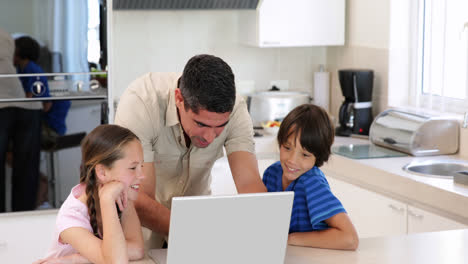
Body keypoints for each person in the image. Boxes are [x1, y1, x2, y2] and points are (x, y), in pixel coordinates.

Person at [115, 54, 267, 248]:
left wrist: (263, 231)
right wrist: (198, 233)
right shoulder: (142, 104)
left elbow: (249, 184)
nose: (210, 137)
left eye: (221, 126)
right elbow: (138, 198)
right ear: (179, 99)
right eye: (201, 123)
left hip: (197, 232)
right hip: (139, 235)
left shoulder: (236, 109)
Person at [34, 124, 145, 263]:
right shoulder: (71, 216)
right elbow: (115, 261)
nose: (142, 175)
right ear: (102, 172)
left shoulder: (124, 197)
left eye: (142, 165)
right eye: (133, 167)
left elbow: (137, 249)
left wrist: (77, 259)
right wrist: (106, 200)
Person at [262, 104, 359, 250]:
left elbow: (350, 239)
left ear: (318, 157)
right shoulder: (271, 173)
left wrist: (289, 239)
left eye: (305, 155)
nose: (292, 160)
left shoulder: (312, 182)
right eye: (287, 148)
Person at [0, 27, 42, 212]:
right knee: (26, 170)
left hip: (3, 104)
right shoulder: (5, 34)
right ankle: (24, 219)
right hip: (25, 107)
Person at [14, 36, 71, 147]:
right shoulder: (21, 70)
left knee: (12, 139)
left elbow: (45, 104)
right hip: (47, 126)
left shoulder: (31, 69)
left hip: (50, 131)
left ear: (18, 52)